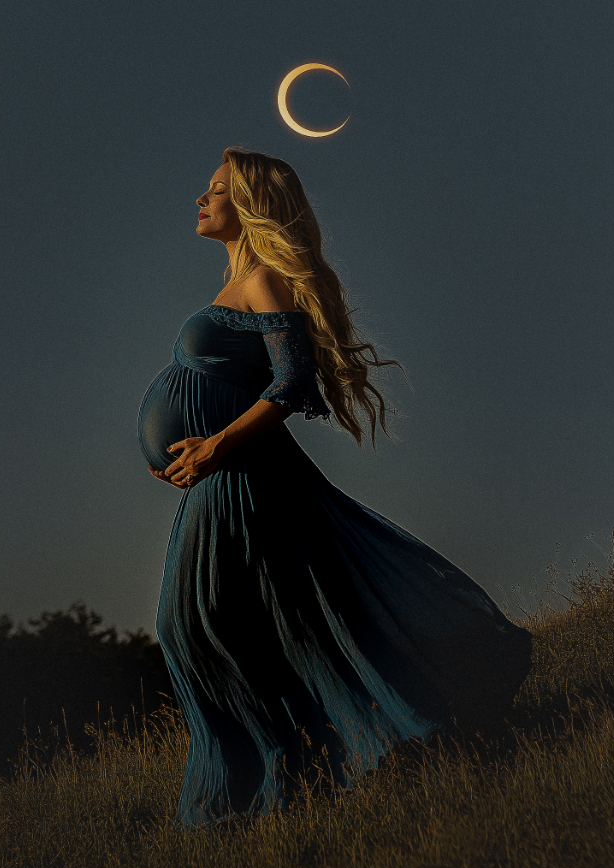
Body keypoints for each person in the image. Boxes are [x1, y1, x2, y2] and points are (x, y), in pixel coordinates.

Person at [137, 148, 531, 827]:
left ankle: (276, 773)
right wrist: (175, 446)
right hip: (214, 479)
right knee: (231, 625)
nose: (201, 201)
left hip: (241, 478)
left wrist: (214, 444)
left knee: (192, 623)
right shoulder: (233, 289)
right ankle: (288, 773)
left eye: (217, 191)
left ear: (252, 206)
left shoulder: (264, 281)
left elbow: (292, 384)